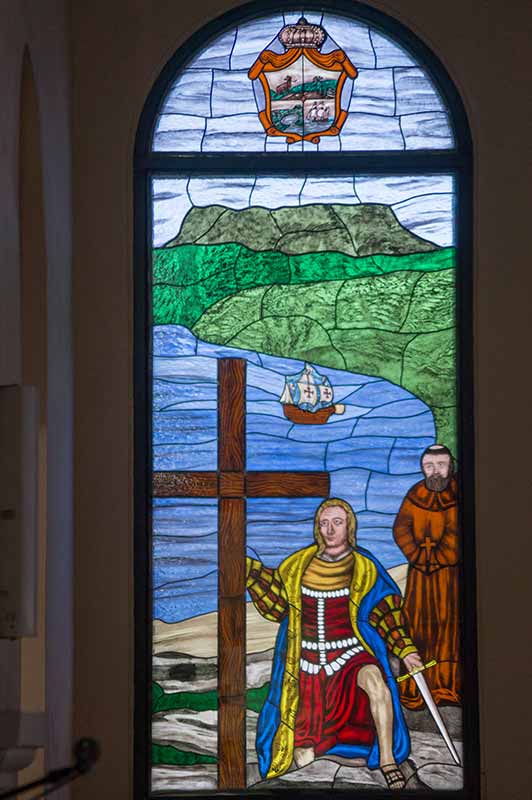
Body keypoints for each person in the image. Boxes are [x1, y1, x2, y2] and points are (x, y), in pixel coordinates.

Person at [246, 498, 422, 790]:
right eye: (323, 523)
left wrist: (406, 649)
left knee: (376, 681)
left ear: (349, 526)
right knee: (303, 755)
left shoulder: (364, 567)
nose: (330, 529)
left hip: (350, 655)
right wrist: (249, 571)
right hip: (306, 664)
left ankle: (388, 760)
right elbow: (277, 607)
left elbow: (386, 613)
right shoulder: (296, 565)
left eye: (337, 522)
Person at [393, 444, 461, 708]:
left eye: (441, 465)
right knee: (417, 627)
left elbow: (457, 534)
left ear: (450, 466)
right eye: (429, 466)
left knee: (449, 629)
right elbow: (401, 528)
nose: (435, 471)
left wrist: (435, 558)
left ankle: (449, 689)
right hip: (420, 579)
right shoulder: (416, 494)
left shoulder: (459, 494)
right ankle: (415, 692)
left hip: (449, 579)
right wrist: (419, 556)